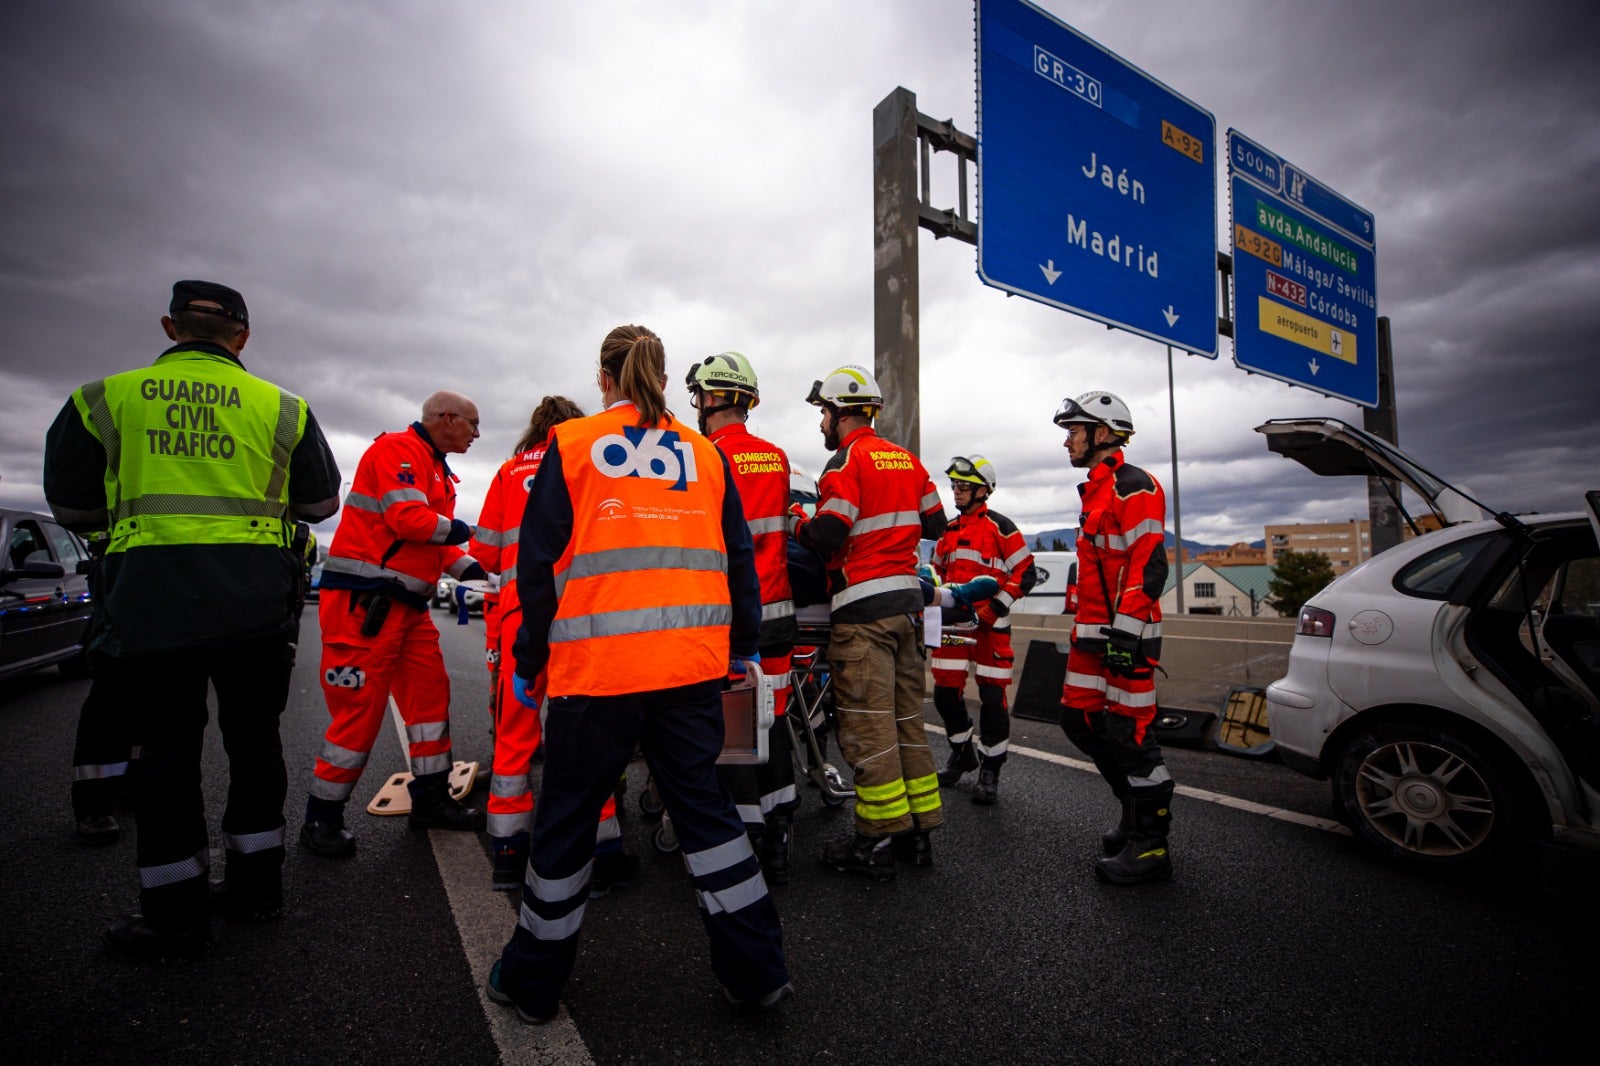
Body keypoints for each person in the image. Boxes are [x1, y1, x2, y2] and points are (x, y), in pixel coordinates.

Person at [487, 324, 790, 1024]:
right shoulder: (706, 455)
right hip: (689, 671)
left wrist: (530, 661)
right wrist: (740, 646)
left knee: (565, 821)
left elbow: (536, 570)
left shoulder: (572, 445)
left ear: (604, 377)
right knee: (708, 815)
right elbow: (738, 560)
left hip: (597, 674)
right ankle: (758, 971)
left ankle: (532, 982)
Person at [43, 279, 342, 959]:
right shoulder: (284, 406)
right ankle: (258, 890)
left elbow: (75, 509)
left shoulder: (103, 397)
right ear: (242, 338)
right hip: (257, 605)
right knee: (256, 743)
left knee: (167, 756)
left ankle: (174, 914)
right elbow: (321, 501)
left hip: (153, 601)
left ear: (170, 327)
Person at [303, 390, 489, 857]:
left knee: (430, 700)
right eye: (472, 423)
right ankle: (321, 818)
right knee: (359, 713)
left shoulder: (434, 467)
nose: (477, 433)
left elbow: (435, 543)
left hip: (406, 609)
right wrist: (475, 532)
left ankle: (429, 802)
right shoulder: (398, 451)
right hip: (365, 607)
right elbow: (409, 520)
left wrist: (483, 573)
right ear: (446, 418)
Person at [469, 395, 636, 895]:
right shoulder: (588, 457)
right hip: (579, 616)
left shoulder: (507, 471)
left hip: (521, 615)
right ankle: (602, 856)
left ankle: (507, 855)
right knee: (587, 741)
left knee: (514, 742)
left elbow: (484, 551)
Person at [788, 365, 948, 880]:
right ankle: (917, 837)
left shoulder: (843, 463)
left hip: (863, 613)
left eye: (823, 415)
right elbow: (936, 524)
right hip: (906, 607)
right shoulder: (906, 459)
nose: (821, 425)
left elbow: (830, 534)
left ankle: (875, 844)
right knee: (906, 726)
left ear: (838, 414)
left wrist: (796, 520)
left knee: (868, 730)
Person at [685, 352, 800, 883]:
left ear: (709, 398)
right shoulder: (776, 458)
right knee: (770, 719)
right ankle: (779, 834)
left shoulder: (701, 457)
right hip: (776, 614)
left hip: (721, 615)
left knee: (730, 727)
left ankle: (741, 836)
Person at [1052, 391, 1175, 884]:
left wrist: (1127, 633)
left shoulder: (1134, 486)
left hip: (1127, 636)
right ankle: (1130, 807)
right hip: (1091, 637)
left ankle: (1151, 845)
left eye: (1074, 431)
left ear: (1102, 434)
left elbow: (1149, 563)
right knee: (1077, 720)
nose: (1067, 441)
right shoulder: (1096, 490)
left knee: (1131, 735)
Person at [929, 454, 1034, 804]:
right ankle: (962, 753)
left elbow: (1026, 574)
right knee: (944, 695)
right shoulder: (949, 530)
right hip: (954, 627)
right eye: (955, 486)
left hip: (992, 628)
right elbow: (936, 575)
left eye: (964, 487)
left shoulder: (1002, 527)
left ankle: (991, 769)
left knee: (992, 698)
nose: (956, 492)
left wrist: (994, 608)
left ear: (983, 491)